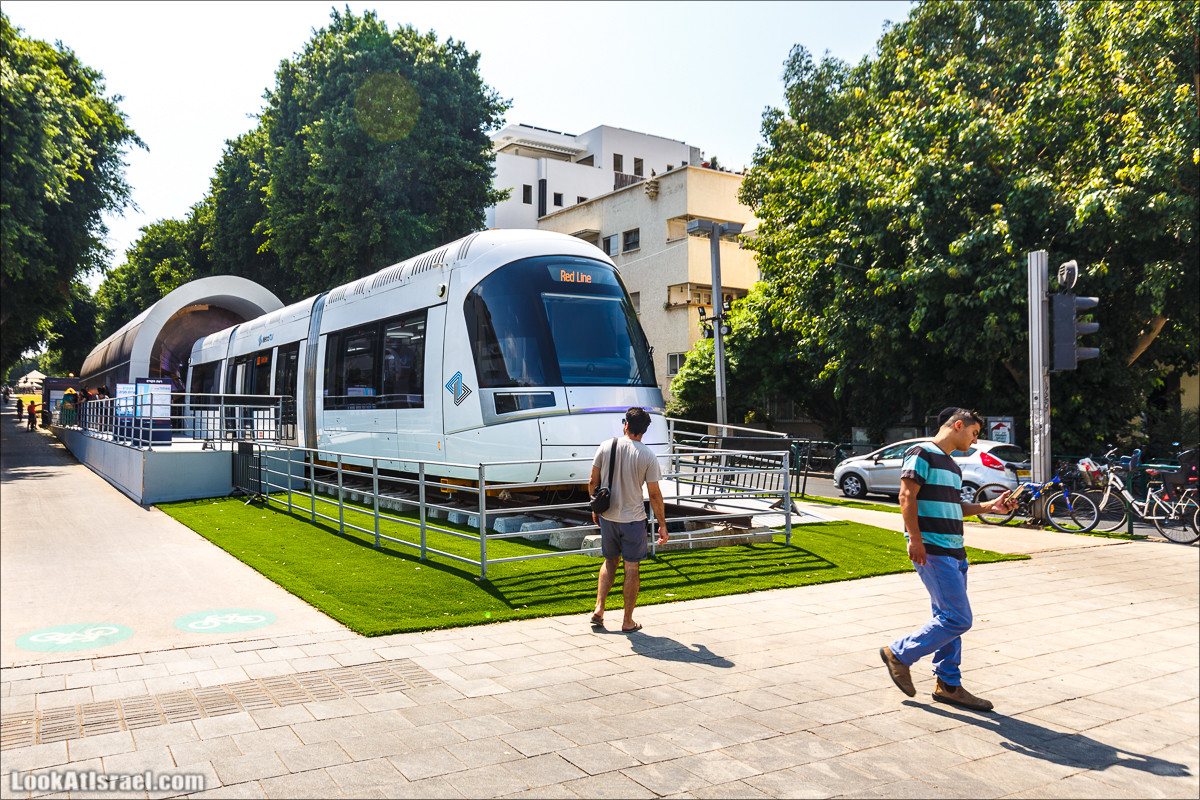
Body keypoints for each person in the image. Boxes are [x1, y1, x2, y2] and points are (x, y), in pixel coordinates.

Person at [880, 407, 1016, 711]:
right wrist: (915, 539)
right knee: (958, 618)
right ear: (958, 425)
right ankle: (900, 654)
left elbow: (955, 506)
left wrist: (990, 507)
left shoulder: (952, 466)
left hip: (955, 551)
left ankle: (948, 684)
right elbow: (906, 496)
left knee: (948, 620)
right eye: (974, 433)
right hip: (933, 549)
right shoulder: (922, 452)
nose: (976, 441)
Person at [588, 407, 669, 632]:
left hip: (608, 517)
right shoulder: (647, 455)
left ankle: (599, 609)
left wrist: (595, 508)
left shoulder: (606, 446)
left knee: (610, 561)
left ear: (626, 425)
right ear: (644, 430)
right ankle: (627, 621)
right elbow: (654, 494)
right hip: (633, 520)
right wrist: (662, 525)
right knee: (631, 567)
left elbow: (592, 481)